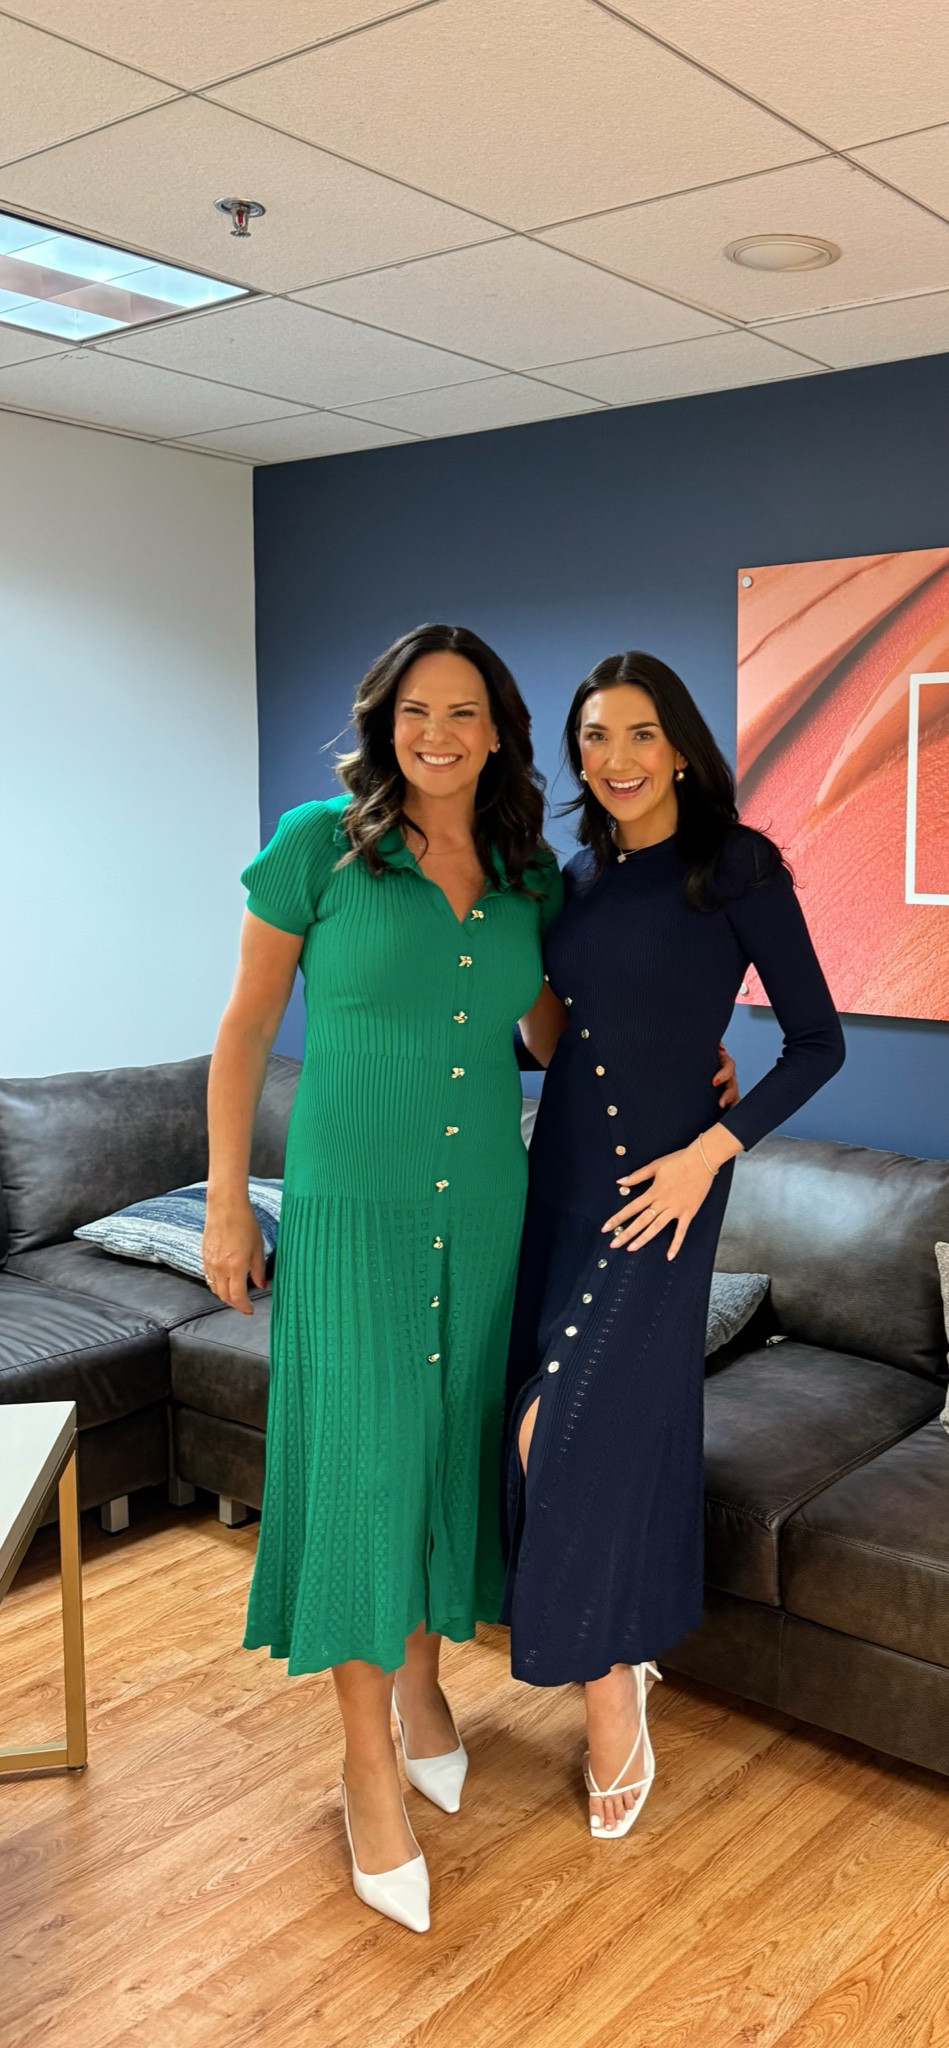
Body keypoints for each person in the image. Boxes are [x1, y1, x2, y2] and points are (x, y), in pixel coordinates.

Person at [202, 622, 559, 1934]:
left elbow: (551, 1032)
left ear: (499, 731)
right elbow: (242, 1031)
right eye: (419, 710)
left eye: (466, 712)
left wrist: (686, 1065)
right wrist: (230, 1202)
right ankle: (366, 1769)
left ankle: (420, 1690)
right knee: (363, 1471)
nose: (440, 735)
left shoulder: (528, 873)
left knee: (443, 1455)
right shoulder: (318, 847)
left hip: (488, 1216)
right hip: (354, 1215)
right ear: (383, 720)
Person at [504, 650, 845, 1838]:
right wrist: (486, 973)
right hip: (559, 1184)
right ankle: (628, 1648)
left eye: (639, 733)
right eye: (594, 737)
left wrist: (714, 1147)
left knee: (566, 1426)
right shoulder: (571, 877)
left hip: (663, 1195)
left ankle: (610, 1699)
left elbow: (817, 1041)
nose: (615, 758)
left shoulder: (734, 866)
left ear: (682, 746)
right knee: (562, 1426)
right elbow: (555, 1041)